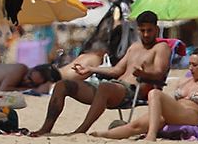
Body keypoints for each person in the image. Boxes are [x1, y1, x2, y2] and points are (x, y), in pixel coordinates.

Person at [31, 12, 172, 136]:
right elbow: (116, 70)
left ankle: (81, 130)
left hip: (133, 91)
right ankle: (45, 128)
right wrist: (91, 69)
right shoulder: (134, 47)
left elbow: (159, 73)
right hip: (113, 87)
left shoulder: (161, 48)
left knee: (105, 87)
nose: (146, 34)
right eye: (142, 30)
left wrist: (144, 73)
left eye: (149, 30)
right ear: (138, 30)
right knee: (62, 85)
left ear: (156, 29)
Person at [93, 46, 198, 141]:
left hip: (190, 116)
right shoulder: (185, 81)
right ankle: (103, 135)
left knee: (155, 93)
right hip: (175, 113)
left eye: (195, 65)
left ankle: (151, 135)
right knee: (135, 126)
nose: (190, 68)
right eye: (189, 64)